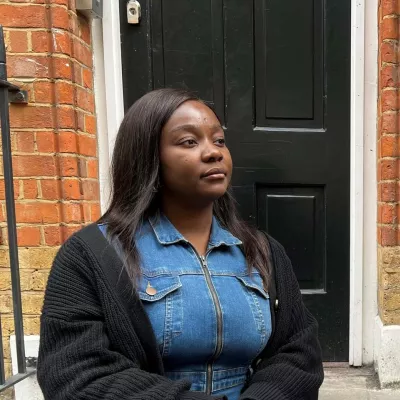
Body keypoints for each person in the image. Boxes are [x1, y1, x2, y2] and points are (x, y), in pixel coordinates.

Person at [37, 88, 324, 400]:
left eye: (219, 140)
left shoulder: (262, 252)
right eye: (189, 141)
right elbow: (74, 374)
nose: (214, 152)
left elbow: (299, 353)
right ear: (148, 157)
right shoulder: (92, 255)